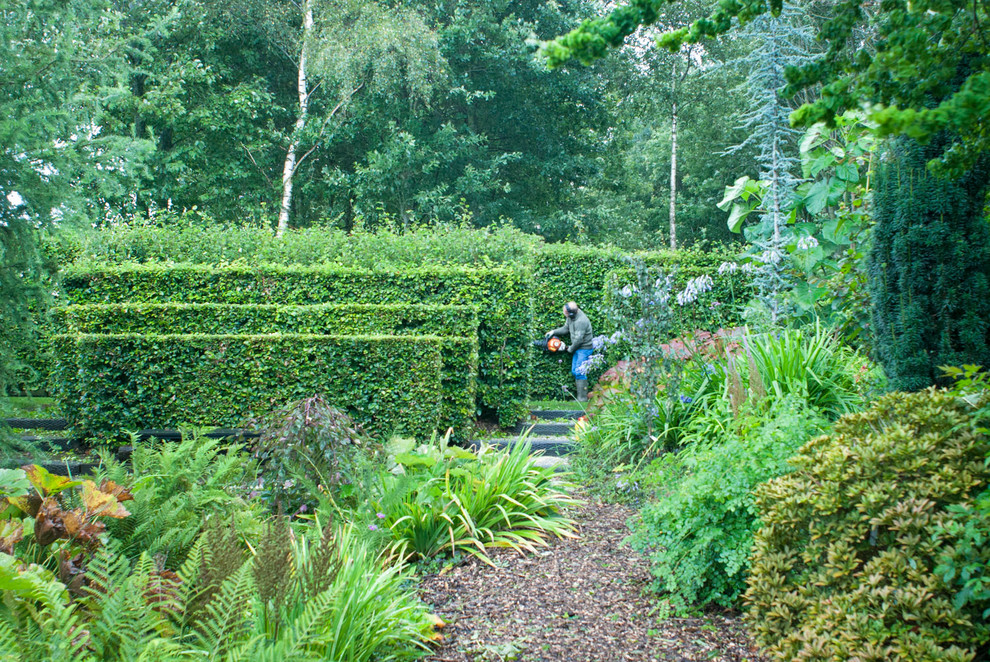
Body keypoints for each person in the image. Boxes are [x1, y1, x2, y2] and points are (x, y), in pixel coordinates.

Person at [545, 301, 594, 402]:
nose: (564, 314)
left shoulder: (581, 321)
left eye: (565, 312)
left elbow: (579, 340)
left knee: (580, 372)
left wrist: (569, 349)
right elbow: (566, 328)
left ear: (571, 313)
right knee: (574, 371)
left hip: (584, 349)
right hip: (578, 348)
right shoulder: (571, 317)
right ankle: (581, 397)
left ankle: (582, 399)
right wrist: (553, 332)